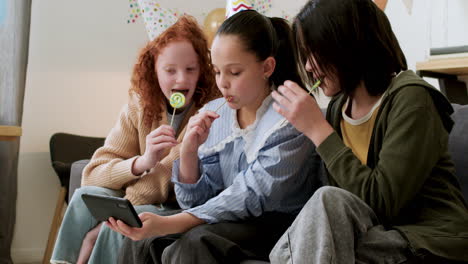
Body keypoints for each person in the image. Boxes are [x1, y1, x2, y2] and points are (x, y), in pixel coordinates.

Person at [109, 10, 322, 264]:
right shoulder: (214, 112)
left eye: (234, 72)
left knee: (195, 243)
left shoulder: (290, 119)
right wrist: (188, 153)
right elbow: (196, 201)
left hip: (277, 225)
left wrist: (171, 223)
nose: (223, 84)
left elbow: (250, 195)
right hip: (226, 220)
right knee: (144, 244)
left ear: (267, 67)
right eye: (217, 72)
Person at [269, 0, 468, 263]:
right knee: (306, 238)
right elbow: (343, 209)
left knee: (318, 227)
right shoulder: (338, 108)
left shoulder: (412, 99)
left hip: (429, 239)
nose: (307, 66)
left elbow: (382, 203)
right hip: (378, 233)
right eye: (305, 55)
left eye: (315, 52)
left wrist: (319, 131)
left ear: (347, 45)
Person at [50, 15, 220, 264]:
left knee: (118, 225)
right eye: (170, 70)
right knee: (83, 198)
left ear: (202, 71)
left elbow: (163, 179)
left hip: (176, 207)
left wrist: (112, 217)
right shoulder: (139, 105)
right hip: (139, 193)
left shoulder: (208, 112)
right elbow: (92, 174)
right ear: (154, 69)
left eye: (190, 69)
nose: (181, 80)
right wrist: (142, 162)